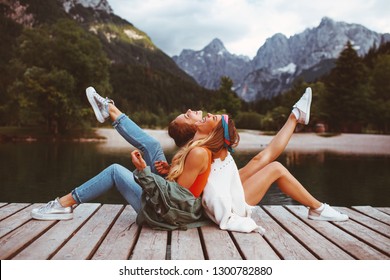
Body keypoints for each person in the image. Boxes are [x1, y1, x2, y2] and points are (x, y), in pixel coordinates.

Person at [30, 87, 238, 226]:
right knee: (152, 144)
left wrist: (144, 172)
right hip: (170, 207)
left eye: (212, 118)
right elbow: (181, 189)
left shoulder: (199, 151)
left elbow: (177, 197)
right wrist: (170, 171)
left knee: (114, 171)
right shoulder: (196, 148)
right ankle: (109, 109)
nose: (205, 114)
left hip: (165, 215)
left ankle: (62, 205)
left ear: (207, 131)